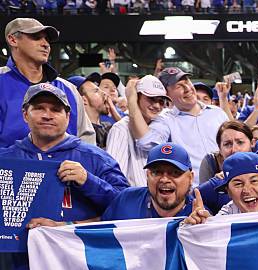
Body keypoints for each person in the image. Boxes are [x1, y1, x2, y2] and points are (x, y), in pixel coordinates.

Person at [0, 83, 128, 270]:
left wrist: (89, 181)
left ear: (68, 117)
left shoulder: (93, 158)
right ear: (26, 114)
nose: (48, 115)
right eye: (40, 108)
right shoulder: (8, 159)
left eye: (56, 109)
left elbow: (126, 206)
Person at [1, 17, 94, 148]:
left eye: (47, 39)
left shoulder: (69, 89)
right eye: (36, 37)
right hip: (11, 167)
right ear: (13, 40)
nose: (45, 44)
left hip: (63, 167)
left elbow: (86, 140)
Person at [128, 67, 229, 185]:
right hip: (196, 192)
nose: (187, 88)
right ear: (167, 94)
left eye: (187, 81)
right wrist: (131, 99)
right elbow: (146, 141)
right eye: (179, 86)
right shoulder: (166, 120)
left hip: (228, 187)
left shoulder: (217, 112)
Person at [102, 143, 196, 220]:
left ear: (190, 178)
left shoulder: (197, 214)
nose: (164, 179)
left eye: (175, 173)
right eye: (156, 172)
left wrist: (201, 230)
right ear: (147, 175)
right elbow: (100, 239)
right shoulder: (126, 201)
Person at [106, 76, 171, 187]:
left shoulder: (162, 122)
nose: (156, 105)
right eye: (151, 99)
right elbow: (114, 175)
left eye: (161, 101)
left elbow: (147, 142)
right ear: (137, 97)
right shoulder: (121, 129)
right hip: (133, 198)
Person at [68, 73, 121, 149]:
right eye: (96, 91)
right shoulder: (77, 136)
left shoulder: (107, 128)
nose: (104, 93)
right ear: (83, 100)